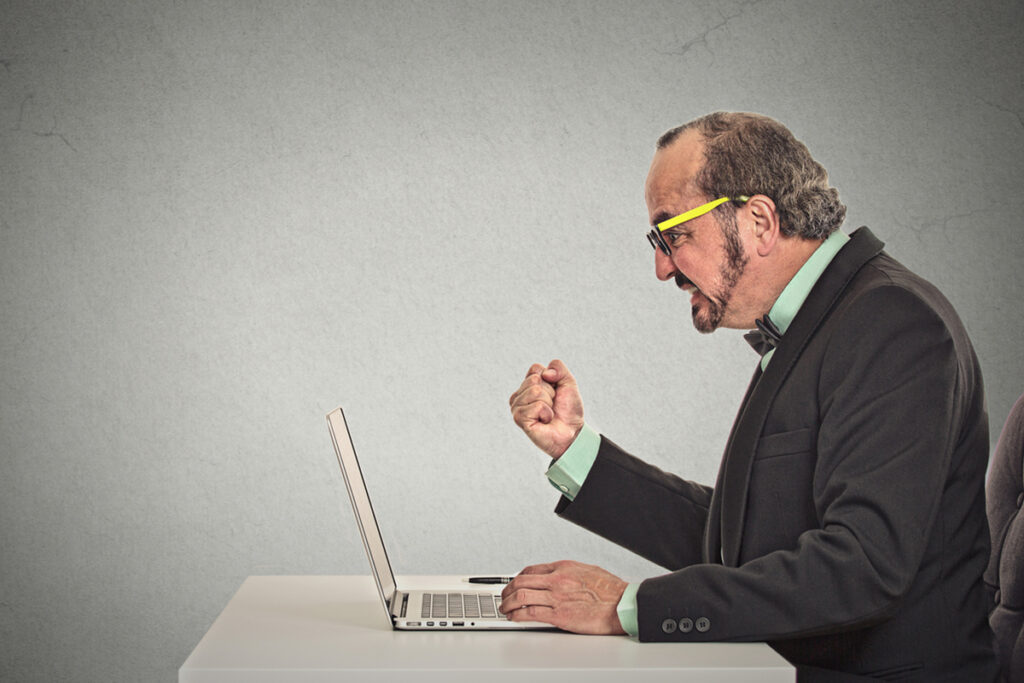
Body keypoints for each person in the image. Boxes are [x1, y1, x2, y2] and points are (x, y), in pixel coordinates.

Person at [501, 112, 998, 681]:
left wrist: (629, 608)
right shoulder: (825, 321)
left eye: (674, 234)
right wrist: (574, 450)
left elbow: (863, 567)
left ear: (760, 220)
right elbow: (740, 542)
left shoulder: (892, 322)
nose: (662, 267)